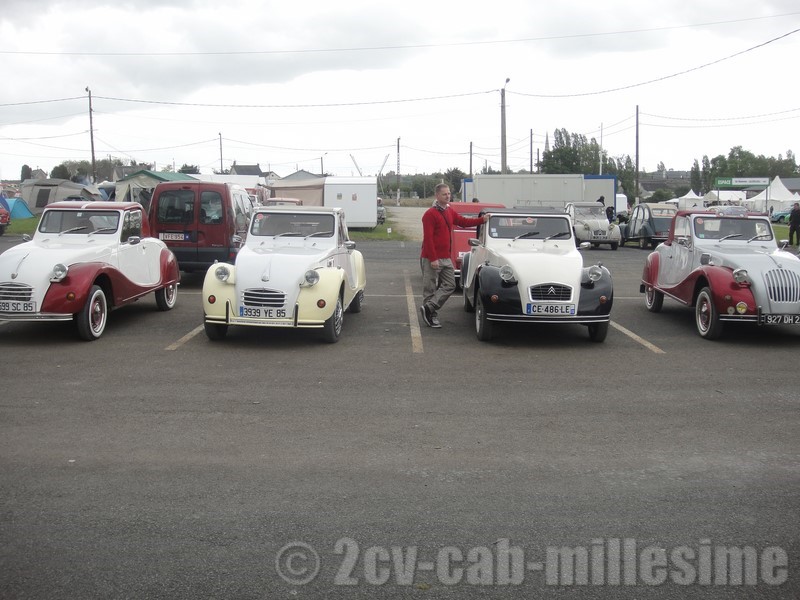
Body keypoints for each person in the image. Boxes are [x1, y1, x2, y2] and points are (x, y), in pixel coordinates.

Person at [420, 183, 489, 328]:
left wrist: (481, 220)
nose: (448, 196)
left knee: (450, 285)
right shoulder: (429, 214)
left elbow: (463, 222)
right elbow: (428, 239)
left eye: (449, 193)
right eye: (444, 194)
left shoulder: (449, 211)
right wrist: (433, 259)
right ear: (437, 196)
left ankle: (429, 307)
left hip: (445, 257)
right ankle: (431, 315)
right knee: (430, 288)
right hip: (431, 257)